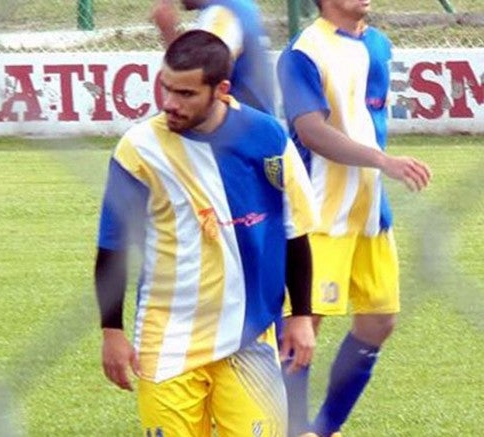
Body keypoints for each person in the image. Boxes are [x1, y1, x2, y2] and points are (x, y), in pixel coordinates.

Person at [94, 29, 317, 436]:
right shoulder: (138, 149)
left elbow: (295, 231)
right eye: (166, 88)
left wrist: (301, 314)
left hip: (249, 335)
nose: (169, 104)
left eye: (186, 94)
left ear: (222, 89)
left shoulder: (268, 137)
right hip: (167, 339)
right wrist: (112, 331)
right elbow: (112, 246)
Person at [276, 1, 432, 436]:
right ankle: (290, 428)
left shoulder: (379, 45)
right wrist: (383, 161)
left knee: (379, 321)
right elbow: (311, 131)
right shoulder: (303, 51)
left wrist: (379, 168)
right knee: (302, 326)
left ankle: (324, 428)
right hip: (321, 214)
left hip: (370, 213)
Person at [152, 0, 275, 114]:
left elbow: (194, 75)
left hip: (237, 128)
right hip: (247, 122)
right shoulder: (237, 6)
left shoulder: (222, 14)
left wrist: (168, 30)